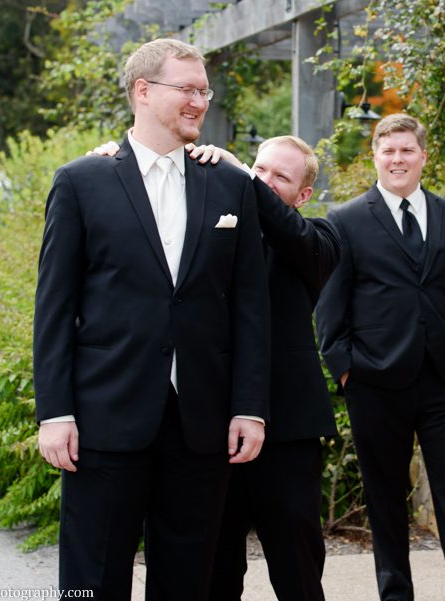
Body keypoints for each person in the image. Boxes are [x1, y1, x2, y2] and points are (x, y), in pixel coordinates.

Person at [33, 38, 270, 601]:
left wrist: (249, 408)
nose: (199, 102)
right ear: (143, 91)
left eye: (204, 91)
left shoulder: (231, 184)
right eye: (186, 89)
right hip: (103, 419)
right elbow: (54, 308)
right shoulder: (80, 182)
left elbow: (249, 307)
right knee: (92, 579)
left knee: (189, 579)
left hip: (202, 423)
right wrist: (56, 413)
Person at [90, 134, 341, 600]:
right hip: (209, 428)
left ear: (303, 195)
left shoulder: (318, 239)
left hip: (287, 431)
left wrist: (241, 176)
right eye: (260, 168)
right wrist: (118, 164)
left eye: (278, 177)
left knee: (298, 567)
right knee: (213, 570)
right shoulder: (207, 226)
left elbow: (301, 243)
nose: (264, 180)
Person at [315, 113, 445, 601]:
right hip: (376, 382)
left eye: (406, 150)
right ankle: (395, 594)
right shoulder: (346, 220)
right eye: (388, 150)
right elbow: (332, 307)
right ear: (375, 156)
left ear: (423, 156)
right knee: (386, 500)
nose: (397, 159)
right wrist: (345, 367)